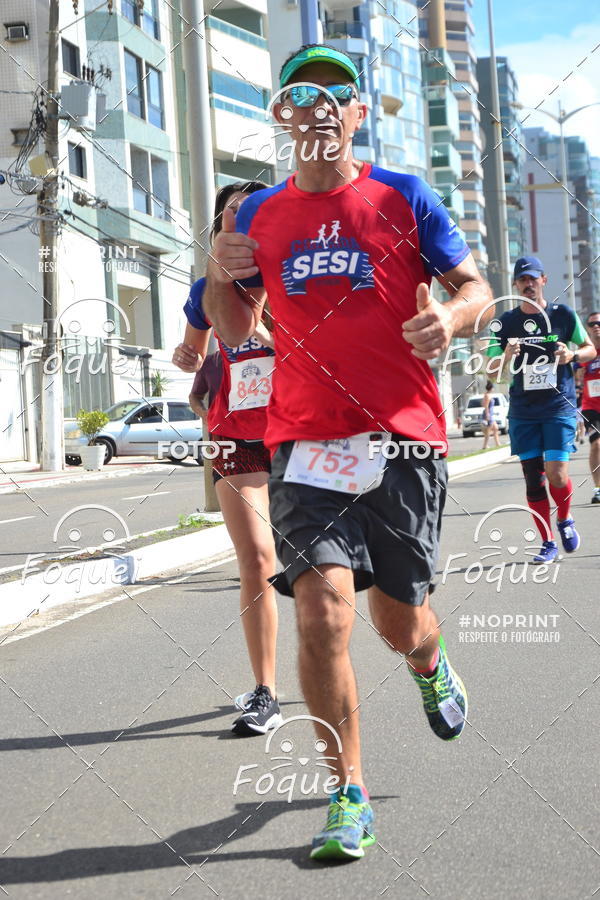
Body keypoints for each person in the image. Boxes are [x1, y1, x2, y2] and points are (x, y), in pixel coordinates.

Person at [204, 43, 493, 860]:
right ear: (282, 115)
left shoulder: (402, 197)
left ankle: (429, 663)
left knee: (397, 620)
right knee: (323, 610)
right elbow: (232, 330)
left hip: (402, 438)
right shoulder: (256, 216)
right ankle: (347, 791)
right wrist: (220, 270)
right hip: (303, 441)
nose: (322, 103)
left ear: (359, 115)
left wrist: (454, 318)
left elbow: (474, 287)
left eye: (340, 92)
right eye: (304, 91)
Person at [172, 181, 282, 737]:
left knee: (316, 567)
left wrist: (267, 331)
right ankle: (265, 691)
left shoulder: (294, 282)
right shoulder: (205, 290)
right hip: (235, 437)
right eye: (229, 215)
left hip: (297, 435)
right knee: (258, 559)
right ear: (218, 230)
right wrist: (188, 353)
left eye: (251, 213)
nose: (240, 222)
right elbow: (191, 351)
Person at [487, 256, 596, 563]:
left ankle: (564, 518)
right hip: (523, 410)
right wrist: (506, 354)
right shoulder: (506, 322)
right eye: (523, 280)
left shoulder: (562, 314)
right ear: (516, 285)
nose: (529, 284)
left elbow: (589, 349)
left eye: (533, 279)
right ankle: (547, 541)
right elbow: (491, 370)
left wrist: (572, 354)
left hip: (558, 407)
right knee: (534, 480)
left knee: (557, 474)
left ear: (544, 281)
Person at [579, 311, 600, 503]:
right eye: (592, 324)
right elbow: (575, 379)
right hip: (591, 407)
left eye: (599, 323)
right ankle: (598, 488)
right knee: (597, 445)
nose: (596, 326)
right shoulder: (585, 352)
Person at [188, 350, 222, 420]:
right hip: (220, 427)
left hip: (249, 426)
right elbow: (194, 396)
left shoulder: (250, 358)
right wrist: (203, 413)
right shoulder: (209, 362)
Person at [481, 380, 501, 449]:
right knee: (488, 431)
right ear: (491, 388)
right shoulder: (487, 395)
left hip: (491, 414)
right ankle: (485, 446)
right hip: (488, 414)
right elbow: (485, 405)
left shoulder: (487, 395)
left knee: (495, 428)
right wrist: (487, 415)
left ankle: (497, 443)